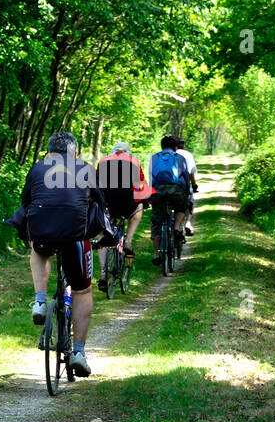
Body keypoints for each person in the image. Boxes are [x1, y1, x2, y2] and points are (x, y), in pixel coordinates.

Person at [21, 131, 105, 377]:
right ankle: (78, 352)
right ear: (74, 152)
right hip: (75, 237)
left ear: (49, 151)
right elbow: (101, 203)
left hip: (43, 234)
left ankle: (40, 300)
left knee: (37, 247)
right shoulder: (85, 169)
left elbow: (25, 203)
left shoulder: (37, 168)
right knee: (82, 290)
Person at [95, 141, 151, 292]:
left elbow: (97, 184)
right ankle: (128, 240)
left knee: (103, 234)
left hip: (108, 204)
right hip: (127, 204)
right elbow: (140, 185)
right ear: (128, 152)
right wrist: (146, 199)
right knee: (138, 208)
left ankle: (103, 273)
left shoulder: (103, 161)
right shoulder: (133, 161)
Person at [146, 134, 191, 263]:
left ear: (162, 146)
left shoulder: (154, 157)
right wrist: (187, 191)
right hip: (175, 190)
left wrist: (151, 193)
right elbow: (186, 176)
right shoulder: (179, 157)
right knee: (181, 207)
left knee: (156, 221)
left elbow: (151, 176)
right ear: (175, 147)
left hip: (158, 191)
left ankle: (156, 254)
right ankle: (177, 227)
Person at [173, 137, 200, 236]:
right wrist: (193, 185)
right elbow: (191, 172)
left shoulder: (167, 154)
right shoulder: (188, 155)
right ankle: (188, 223)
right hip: (182, 185)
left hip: (165, 186)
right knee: (189, 203)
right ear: (183, 145)